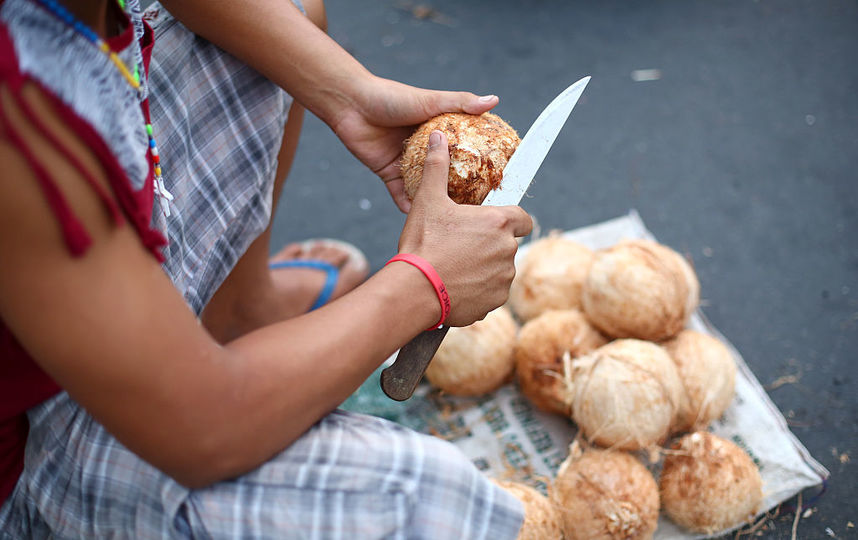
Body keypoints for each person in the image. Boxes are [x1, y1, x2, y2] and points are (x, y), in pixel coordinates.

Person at [0, 0, 532, 537]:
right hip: (46, 436)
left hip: (81, 250)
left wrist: (349, 94)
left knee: (291, 15)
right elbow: (200, 428)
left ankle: (242, 312)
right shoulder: (19, 130)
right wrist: (424, 284)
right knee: (422, 500)